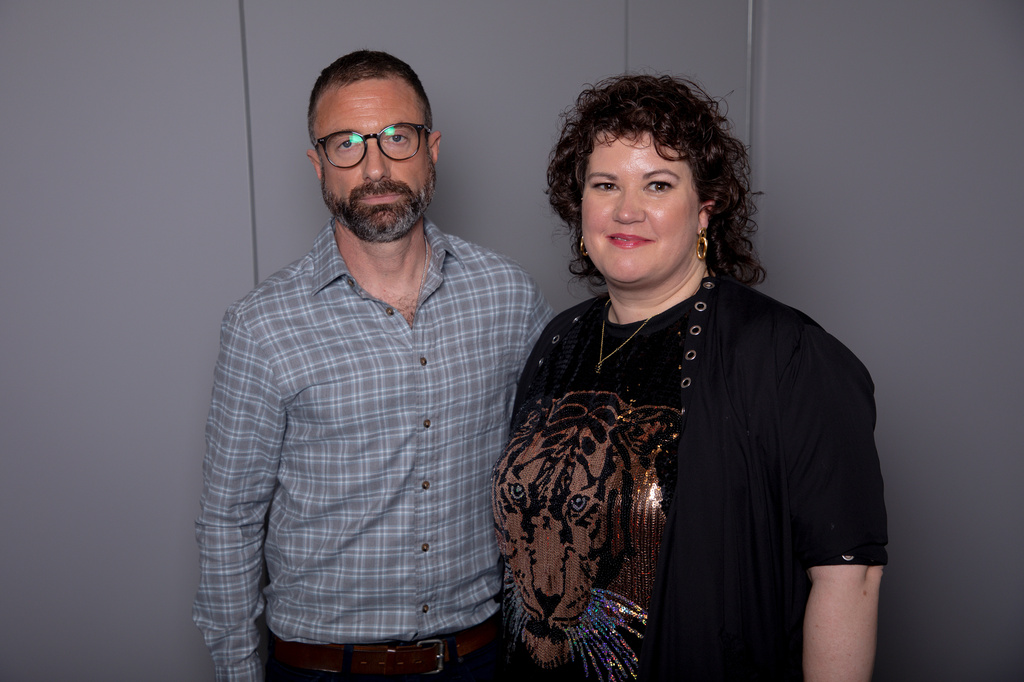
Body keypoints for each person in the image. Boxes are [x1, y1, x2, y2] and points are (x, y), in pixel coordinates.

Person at [492, 74, 887, 681]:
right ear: (581, 206)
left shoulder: (785, 354)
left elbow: (849, 578)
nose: (626, 210)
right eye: (605, 185)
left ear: (705, 208)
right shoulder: (557, 342)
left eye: (658, 184)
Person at [194, 50, 552, 682]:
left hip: (480, 660)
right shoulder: (261, 325)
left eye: (397, 137)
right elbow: (230, 522)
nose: (376, 167)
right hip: (321, 669)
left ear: (431, 149)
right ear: (318, 165)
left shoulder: (509, 297)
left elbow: (555, 474)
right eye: (347, 145)